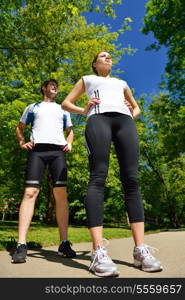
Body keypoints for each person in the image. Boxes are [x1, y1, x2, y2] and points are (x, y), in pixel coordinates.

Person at [61, 51, 163, 277]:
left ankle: (140, 250)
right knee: (98, 176)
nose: (108, 58)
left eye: (109, 56)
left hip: (124, 121)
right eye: (102, 56)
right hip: (98, 120)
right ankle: (98, 251)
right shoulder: (88, 80)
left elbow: (137, 108)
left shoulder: (121, 83)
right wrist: (83, 109)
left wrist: (130, 112)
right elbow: (66, 103)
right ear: (94, 63)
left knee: (132, 180)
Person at [12, 79, 76, 263]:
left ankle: (64, 243)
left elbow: (70, 130)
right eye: (51, 85)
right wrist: (21, 142)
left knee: (61, 194)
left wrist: (69, 142)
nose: (55, 86)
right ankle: (21, 245)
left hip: (58, 152)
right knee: (30, 192)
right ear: (44, 89)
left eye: (57, 85)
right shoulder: (33, 107)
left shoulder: (63, 108)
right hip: (37, 151)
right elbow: (20, 127)